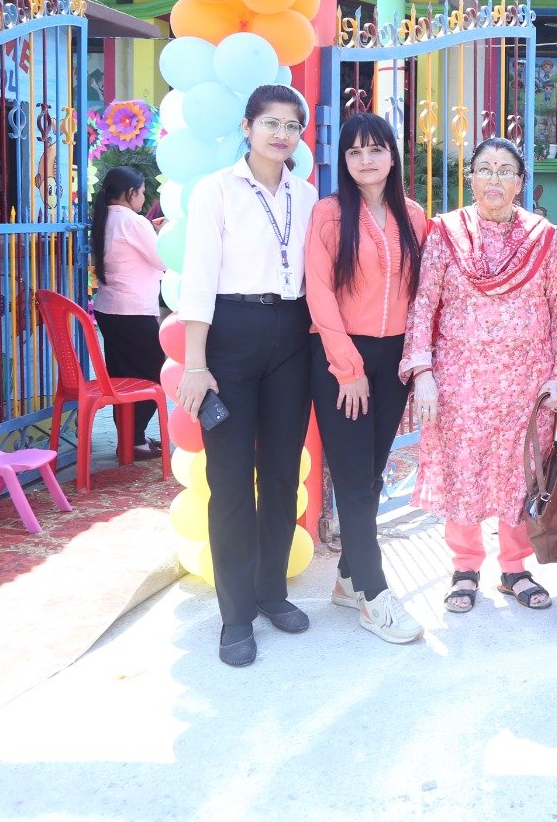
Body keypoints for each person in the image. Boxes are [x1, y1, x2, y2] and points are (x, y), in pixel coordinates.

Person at [175, 85, 318, 668]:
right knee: (231, 479)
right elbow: (198, 278)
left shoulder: (307, 196)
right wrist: (196, 364)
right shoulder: (216, 190)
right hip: (230, 336)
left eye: (292, 126)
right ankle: (235, 616)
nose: (281, 135)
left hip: (292, 335)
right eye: (270, 123)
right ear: (247, 127)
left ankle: (271, 591)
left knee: (281, 473)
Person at [403, 137, 557, 615]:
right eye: (485, 169)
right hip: (461, 382)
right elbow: (423, 304)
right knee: (463, 472)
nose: (494, 179)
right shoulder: (446, 232)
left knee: (522, 475)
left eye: (505, 170)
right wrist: (423, 372)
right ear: (470, 178)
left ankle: (515, 568)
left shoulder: (542, 237)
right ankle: (464, 568)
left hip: (527, 383)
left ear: (520, 182)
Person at [306, 113, 428, 645]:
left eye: (375, 149)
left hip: (394, 359)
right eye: (354, 152)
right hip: (341, 360)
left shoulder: (415, 217)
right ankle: (375, 597)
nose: (365, 160)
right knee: (355, 478)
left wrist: (416, 364)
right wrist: (347, 369)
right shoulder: (330, 214)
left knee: (372, 474)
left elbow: (423, 295)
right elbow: (319, 293)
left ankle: (347, 579)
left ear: (393, 155)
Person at [90, 165, 167, 460]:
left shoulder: (105, 218)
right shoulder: (132, 222)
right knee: (156, 374)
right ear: (130, 193)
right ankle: (133, 441)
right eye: (142, 192)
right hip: (133, 310)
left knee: (123, 377)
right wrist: (162, 234)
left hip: (109, 310)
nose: (143, 199)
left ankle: (130, 439)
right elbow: (163, 260)